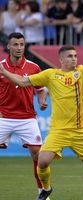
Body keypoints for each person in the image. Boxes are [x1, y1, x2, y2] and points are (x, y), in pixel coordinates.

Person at [0, 45, 83, 200]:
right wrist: (4, 72)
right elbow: (23, 82)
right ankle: (46, 189)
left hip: (79, 132)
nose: (74, 59)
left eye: (75, 56)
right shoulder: (50, 75)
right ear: (61, 59)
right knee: (42, 162)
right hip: (58, 131)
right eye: (70, 56)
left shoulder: (82, 72)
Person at [0, 32, 48, 198]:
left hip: (27, 118)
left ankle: (43, 191)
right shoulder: (1, 66)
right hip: (4, 117)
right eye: (15, 44)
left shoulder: (33, 67)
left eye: (21, 44)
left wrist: (42, 101)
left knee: (38, 154)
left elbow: (41, 90)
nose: (19, 48)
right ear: (8, 46)